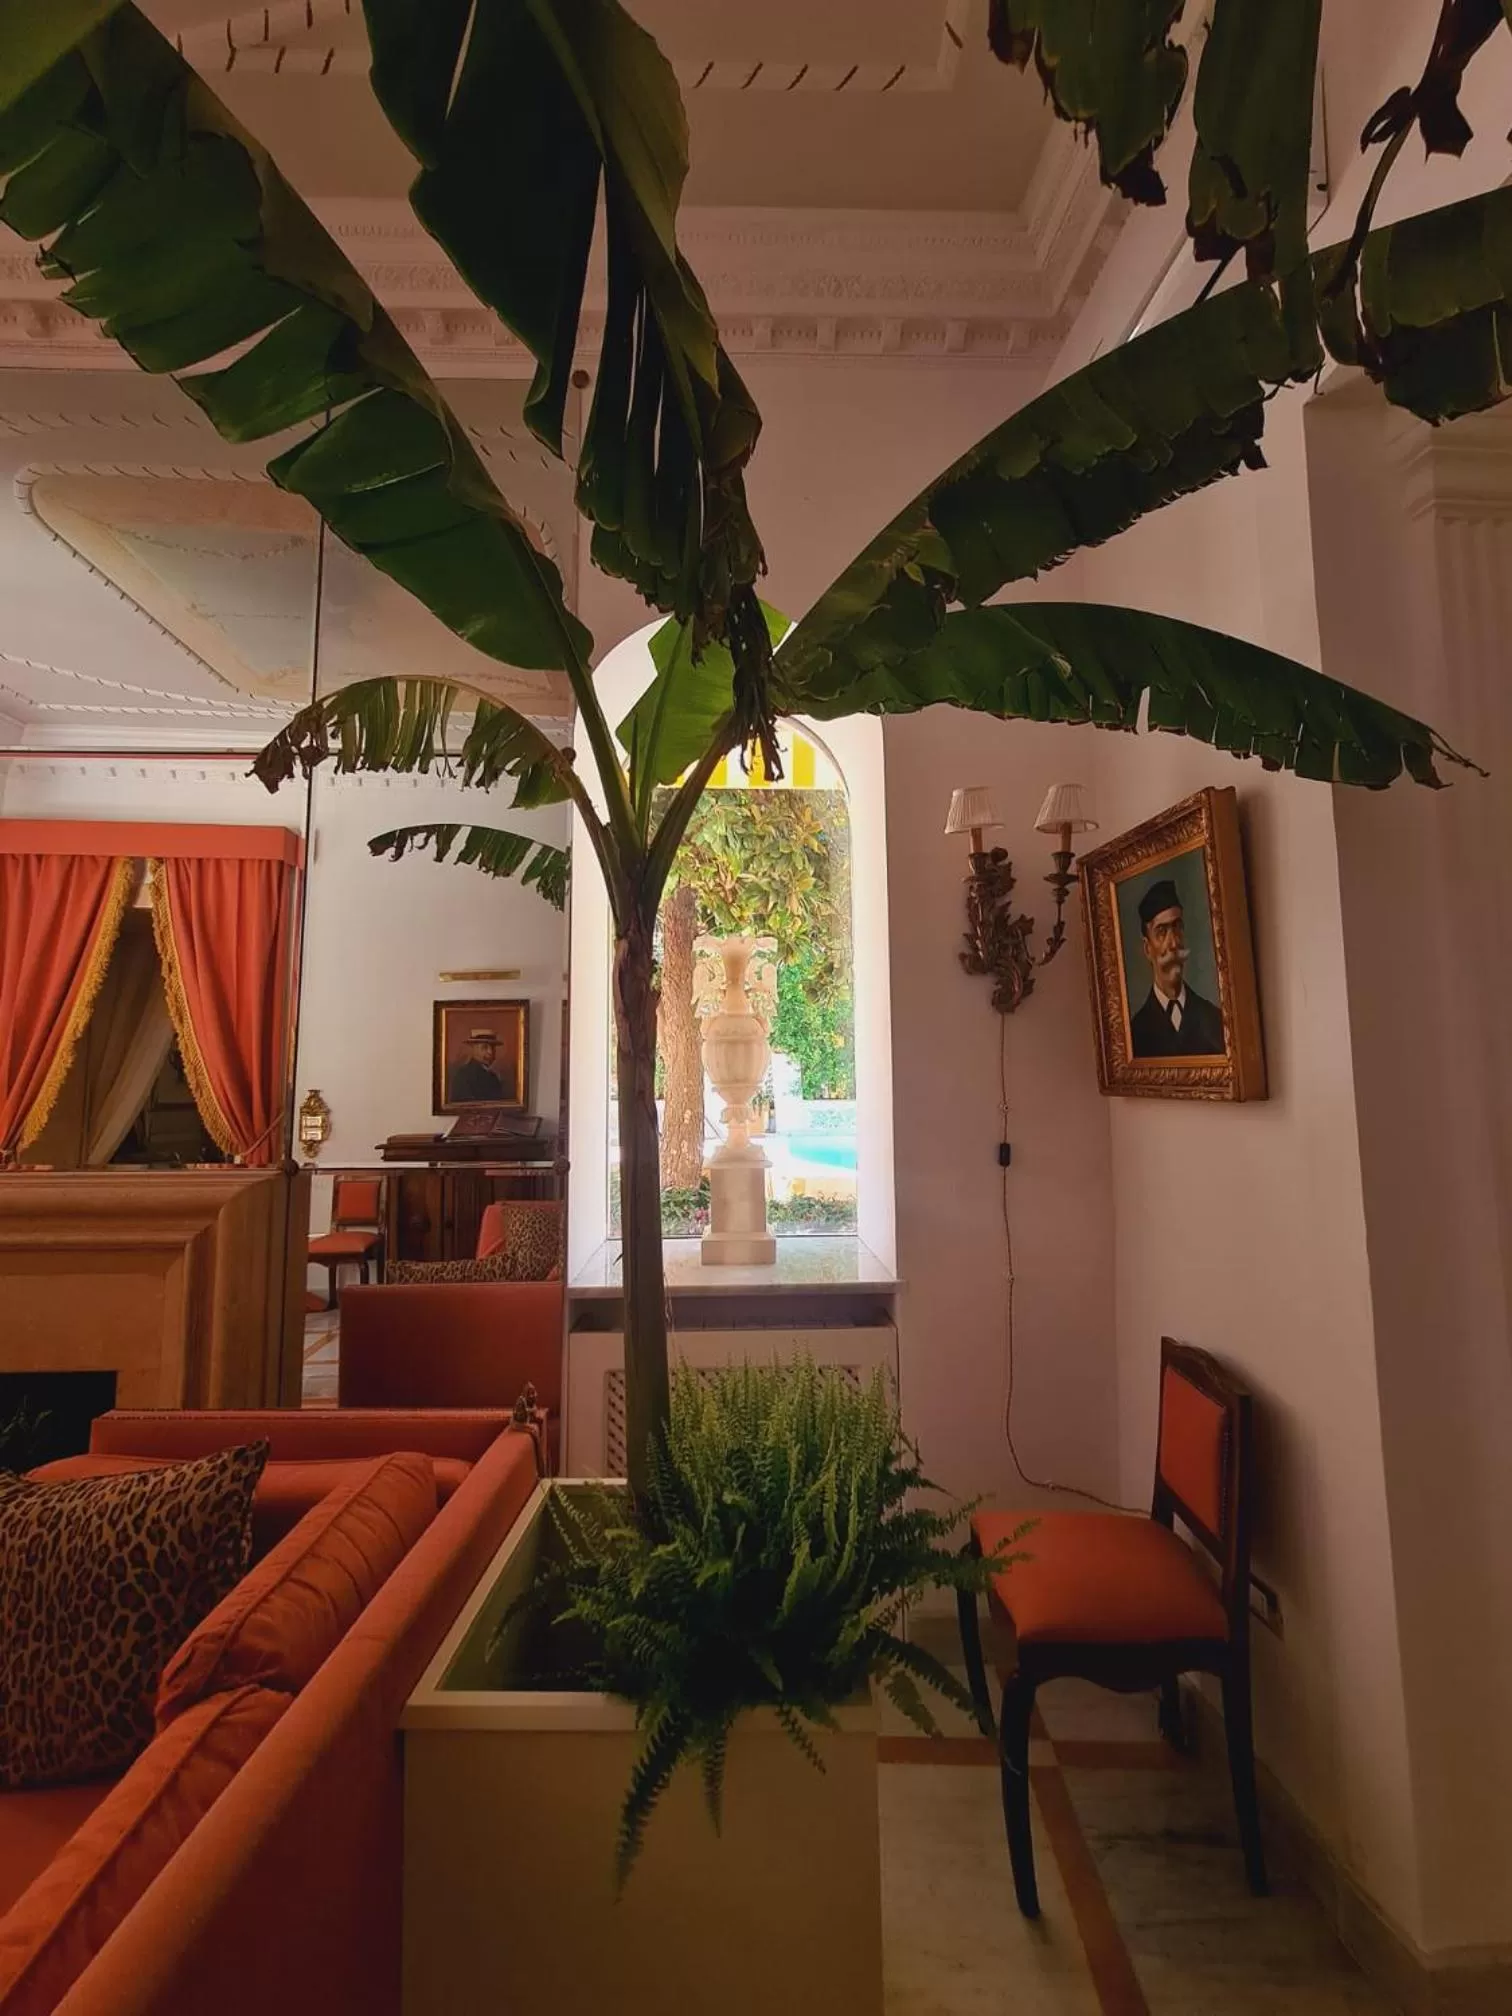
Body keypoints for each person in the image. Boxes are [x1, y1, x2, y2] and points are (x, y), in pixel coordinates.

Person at [1127, 878, 1225, 1058]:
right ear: (1148, 948)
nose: (1173, 943)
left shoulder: (1214, 1020)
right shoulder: (1134, 1034)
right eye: (1162, 932)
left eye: (1177, 927)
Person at [447, 1027, 511, 1104]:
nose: (490, 1052)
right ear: (473, 1049)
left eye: (493, 1048)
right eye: (484, 1047)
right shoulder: (463, 1075)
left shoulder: (493, 1077)